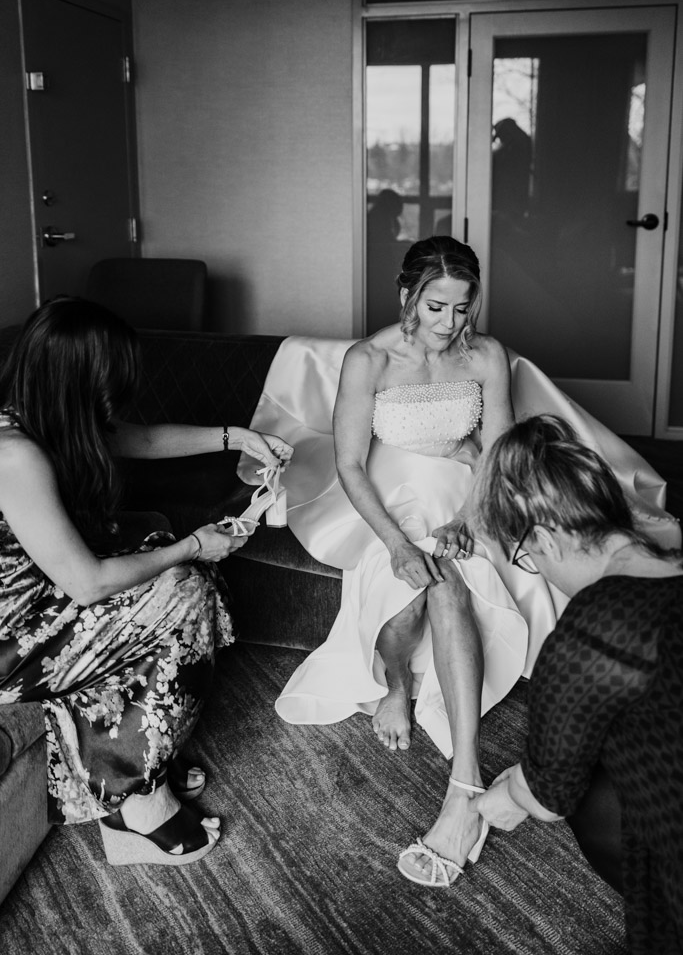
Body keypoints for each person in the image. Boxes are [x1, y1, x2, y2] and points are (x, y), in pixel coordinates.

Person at [0, 296, 293, 866]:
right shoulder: (14, 454)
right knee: (184, 590)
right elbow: (87, 585)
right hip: (12, 634)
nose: (118, 397)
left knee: (167, 563)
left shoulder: (46, 417)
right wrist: (195, 545)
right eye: (109, 384)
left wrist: (239, 436)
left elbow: (143, 439)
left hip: (42, 596)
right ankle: (132, 804)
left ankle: (127, 755)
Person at [276, 236, 532, 886]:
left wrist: (468, 520)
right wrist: (394, 542)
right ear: (406, 297)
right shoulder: (369, 359)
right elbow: (347, 463)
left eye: (462, 309)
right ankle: (395, 685)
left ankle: (462, 787)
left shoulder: (487, 355)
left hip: (466, 489)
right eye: (435, 307)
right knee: (410, 583)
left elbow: (498, 453)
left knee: (445, 587)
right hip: (385, 493)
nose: (449, 325)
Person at [471, 415, 682, 954]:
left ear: (543, 538)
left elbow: (550, 796)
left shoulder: (591, 631)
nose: (536, 566)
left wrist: (508, 793)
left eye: (528, 556)